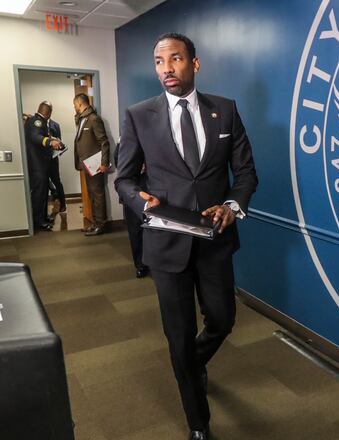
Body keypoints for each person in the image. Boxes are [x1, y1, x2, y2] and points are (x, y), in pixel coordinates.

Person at [115, 33, 258, 440]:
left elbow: (245, 173)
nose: (166, 69)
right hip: (165, 245)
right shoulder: (139, 115)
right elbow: (123, 179)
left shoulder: (225, 112)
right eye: (159, 62)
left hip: (214, 240)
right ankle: (199, 423)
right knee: (177, 335)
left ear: (194, 64)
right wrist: (138, 201)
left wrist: (232, 206)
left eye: (175, 59)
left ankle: (191, 364)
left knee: (223, 320)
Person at [73, 93, 110, 236]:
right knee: (92, 195)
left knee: (97, 194)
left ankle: (101, 224)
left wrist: (104, 163)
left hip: (95, 164)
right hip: (86, 164)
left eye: (75, 105)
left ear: (80, 103)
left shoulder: (94, 119)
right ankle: (95, 223)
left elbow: (104, 142)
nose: (75, 108)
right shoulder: (83, 119)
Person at [25, 101, 64, 231]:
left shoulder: (38, 121)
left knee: (43, 193)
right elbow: (36, 137)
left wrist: (52, 139)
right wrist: (49, 142)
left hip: (41, 165)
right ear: (48, 112)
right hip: (37, 166)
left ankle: (43, 217)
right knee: (39, 194)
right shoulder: (37, 121)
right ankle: (38, 221)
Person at [115, 141, 148, 278]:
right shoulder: (126, 137)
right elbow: (118, 158)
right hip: (133, 189)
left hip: (154, 188)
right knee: (135, 231)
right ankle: (140, 265)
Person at [47, 117, 67, 222]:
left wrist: (56, 143)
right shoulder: (39, 124)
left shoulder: (55, 125)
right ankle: (53, 197)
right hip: (41, 159)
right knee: (44, 182)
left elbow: (59, 141)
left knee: (57, 181)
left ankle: (63, 205)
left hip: (53, 159)